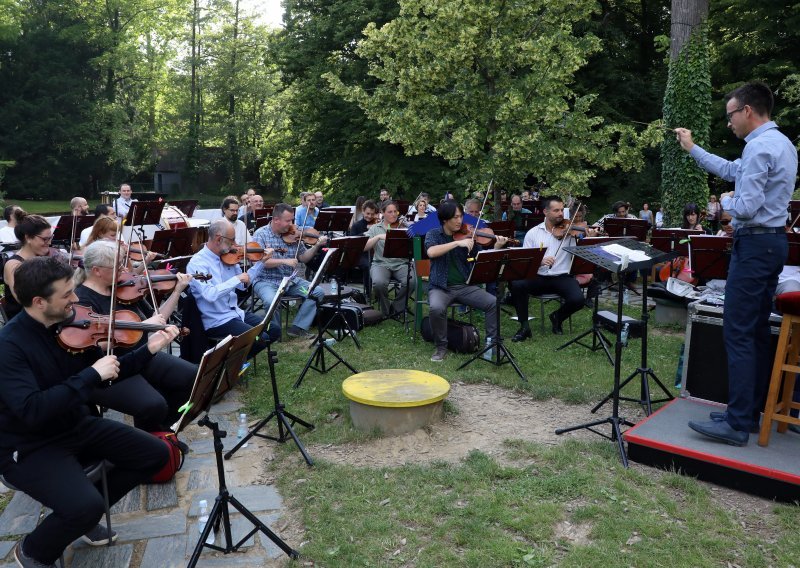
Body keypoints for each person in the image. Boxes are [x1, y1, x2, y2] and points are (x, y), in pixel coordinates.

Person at [0, 256, 172, 567]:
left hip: (74, 424)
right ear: (39, 301)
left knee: (156, 454)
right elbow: (32, 410)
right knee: (84, 506)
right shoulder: (9, 346)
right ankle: (33, 550)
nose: (76, 299)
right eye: (67, 294)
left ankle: (81, 512)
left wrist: (148, 349)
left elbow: (106, 375)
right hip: (29, 445)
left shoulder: (67, 327)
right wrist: (91, 375)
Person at [675, 81, 798, 446]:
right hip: (773, 243)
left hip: (756, 244)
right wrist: (693, 148)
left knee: (739, 331)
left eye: (730, 115)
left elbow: (744, 207)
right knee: (757, 331)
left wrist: (726, 203)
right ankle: (747, 409)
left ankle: (738, 422)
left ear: (747, 111)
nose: (728, 122)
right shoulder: (781, 144)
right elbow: (731, 169)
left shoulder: (761, 148)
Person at [74, 241, 196, 432]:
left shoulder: (122, 289)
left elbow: (158, 319)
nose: (124, 269)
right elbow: (91, 344)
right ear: (96, 270)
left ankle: (164, 432)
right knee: (153, 404)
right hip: (111, 366)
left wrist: (177, 291)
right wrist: (140, 327)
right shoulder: (82, 300)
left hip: (140, 355)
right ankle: (150, 439)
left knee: (191, 377)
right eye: (117, 266)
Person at [424, 200, 508, 362]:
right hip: (440, 287)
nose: (459, 221)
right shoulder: (434, 234)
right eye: (455, 217)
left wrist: (497, 247)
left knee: (492, 302)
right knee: (436, 308)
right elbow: (432, 252)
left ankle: (491, 345)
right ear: (445, 219)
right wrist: (457, 243)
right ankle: (441, 347)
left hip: (464, 286)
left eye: (461, 216)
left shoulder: (469, 236)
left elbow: (480, 258)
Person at [509, 196, 599, 340]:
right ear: (545, 212)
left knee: (578, 300)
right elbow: (525, 261)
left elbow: (585, 252)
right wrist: (540, 261)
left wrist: (590, 237)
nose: (560, 214)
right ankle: (524, 327)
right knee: (517, 284)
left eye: (562, 210)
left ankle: (557, 317)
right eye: (556, 210)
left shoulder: (570, 232)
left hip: (562, 277)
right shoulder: (533, 233)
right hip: (538, 277)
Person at [187, 219, 278, 357]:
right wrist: (235, 279)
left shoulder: (229, 257)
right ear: (218, 239)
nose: (235, 245)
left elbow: (243, 285)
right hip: (217, 321)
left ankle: (234, 362)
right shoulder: (198, 263)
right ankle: (227, 368)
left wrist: (261, 263)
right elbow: (210, 294)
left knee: (274, 330)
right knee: (260, 339)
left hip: (235, 313)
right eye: (232, 240)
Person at [251, 204, 328, 339]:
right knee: (271, 301)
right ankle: (275, 333)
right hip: (266, 281)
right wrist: (284, 261)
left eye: (292, 220)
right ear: (276, 220)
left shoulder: (294, 236)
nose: (291, 224)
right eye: (288, 221)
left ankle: (298, 328)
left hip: (290, 282)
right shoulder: (260, 234)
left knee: (316, 292)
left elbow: (304, 258)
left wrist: (316, 246)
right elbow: (259, 262)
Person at [3, 214, 61, 321]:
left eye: (50, 238)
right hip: (24, 321)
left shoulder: (44, 258)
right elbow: (24, 299)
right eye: (45, 239)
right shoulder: (14, 265)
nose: (49, 242)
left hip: (47, 315)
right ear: (28, 237)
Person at [364, 201, 413, 318]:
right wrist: (378, 237)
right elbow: (364, 246)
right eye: (390, 212)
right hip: (381, 264)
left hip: (401, 263)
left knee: (412, 281)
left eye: (395, 211)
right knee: (378, 283)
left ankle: (397, 308)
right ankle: (386, 311)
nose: (394, 214)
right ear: (382, 213)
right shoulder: (375, 228)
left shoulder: (403, 228)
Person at [348, 200, 379, 296]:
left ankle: (379, 292)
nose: (369, 216)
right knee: (367, 266)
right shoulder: (356, 225)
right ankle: (368, 293)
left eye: (372, 214)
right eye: (367, 213)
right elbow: (352, 242)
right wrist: (366, 232)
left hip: (375, 252)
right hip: (360, 253)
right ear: (363, 211)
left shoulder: (376, 224)